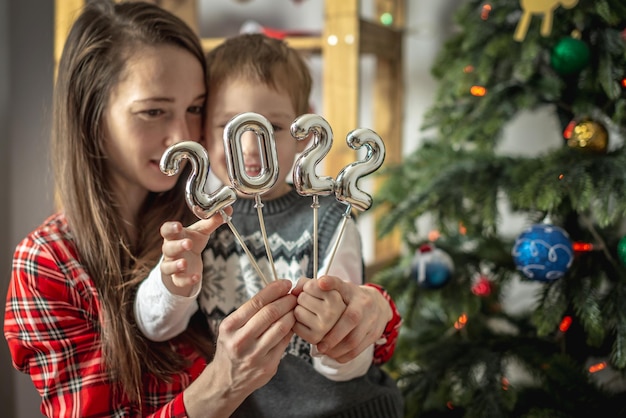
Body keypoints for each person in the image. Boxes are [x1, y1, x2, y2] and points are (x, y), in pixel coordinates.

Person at [4, 3, 302, 417]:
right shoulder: (48, 264)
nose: (182, 136)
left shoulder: (216, 211)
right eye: (153, 112)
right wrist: (223, 384)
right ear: (92, 114)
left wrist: (370, 310)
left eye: (195, 109)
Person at [135, 33, 404, 417]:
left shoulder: (329, 218)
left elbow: (349, 364)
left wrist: (333, 333)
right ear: (203, 137)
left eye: (273, 128)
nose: (250, 147)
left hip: (342, 407)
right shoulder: (198, 221)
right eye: (230, 127)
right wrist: (173, 284)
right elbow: (155, 327)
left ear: (303, 136)